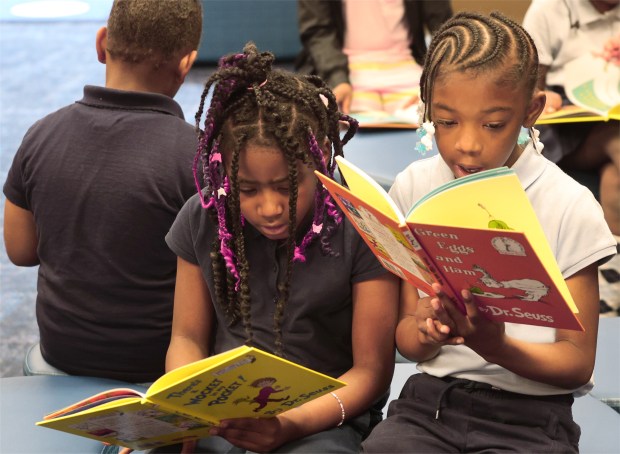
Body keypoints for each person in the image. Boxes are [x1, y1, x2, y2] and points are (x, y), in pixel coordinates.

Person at [361, 11, 617, 453]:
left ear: (531, 111)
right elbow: (406, 336)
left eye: (494, 124)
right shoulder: (414, 186)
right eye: (446, 121)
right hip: (430, 409)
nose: (467, 144)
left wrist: (496, 345)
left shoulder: (568, 204)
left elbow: (576, 363)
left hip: (533, 419)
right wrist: (424, 331)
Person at [157, 42, 399, 454]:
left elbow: (372, 373)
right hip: (225, 415)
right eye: (247, 189)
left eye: (287, 188)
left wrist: (288, 425)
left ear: (321, 160)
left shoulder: (361, 228)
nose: (269, 209)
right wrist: (187, 409)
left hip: (322, 418)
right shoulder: (203, 217)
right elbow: (187, 337)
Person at [2, 0, 203, 383]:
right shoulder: (197, 155)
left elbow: (20, 251)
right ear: (186, 64)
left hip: (60, 353)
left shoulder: (40, 135)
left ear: (101, 43)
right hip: (159, 366)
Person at [522, 0, 620, 237]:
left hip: (612, 110)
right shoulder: (548, 10)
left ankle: (612, 255)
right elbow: (527, 89)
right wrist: (546, 97)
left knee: (613, 175)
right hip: (565, 129)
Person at [295, 0, 453, 114]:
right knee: (343, 124)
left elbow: (446, 28)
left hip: (407, 70)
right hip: (345, 74)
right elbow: (318, 32)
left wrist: (435, 81)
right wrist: (337, 79)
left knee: (436, 115)